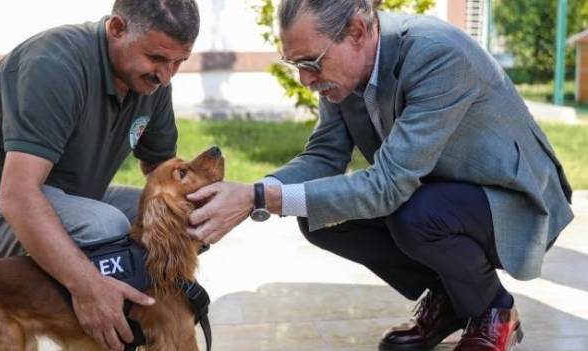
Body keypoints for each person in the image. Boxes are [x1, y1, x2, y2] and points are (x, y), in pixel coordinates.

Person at [187, 0, 573, 350]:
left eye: (310, 63)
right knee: (319, 217)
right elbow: (324, 155)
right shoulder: (343, 74)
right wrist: (259, 190)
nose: (306, 80)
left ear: (357, 31)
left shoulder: (437, 53)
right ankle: (451, 297)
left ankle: (494, 310)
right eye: (296, 65)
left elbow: (389, 185)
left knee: (417, 215)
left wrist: (259, 199)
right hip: (437, 192)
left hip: (513, 200)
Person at [0, 0, 199, 349]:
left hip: (59, 199)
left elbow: (163, 174)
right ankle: (99, 327)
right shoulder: (54, 64)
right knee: (105, 228)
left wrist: (197, 210)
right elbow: (19, 196)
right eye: (156, 58)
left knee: (186, 214)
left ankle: (152, 328)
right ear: (117, 29)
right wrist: (87, 288)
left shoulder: (151, 82)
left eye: (178, 62)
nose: (167, 75)